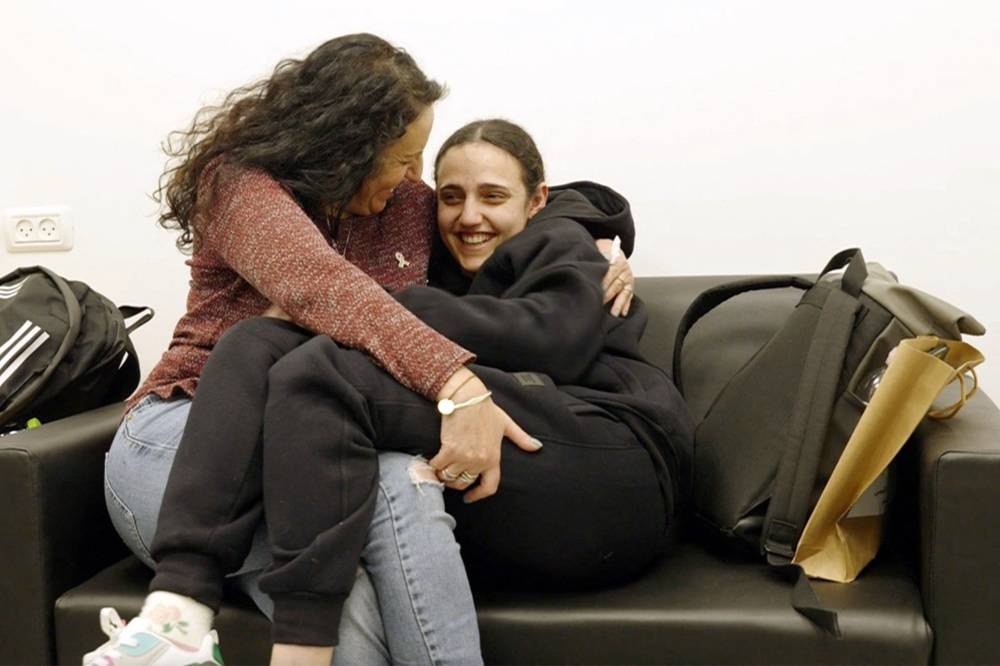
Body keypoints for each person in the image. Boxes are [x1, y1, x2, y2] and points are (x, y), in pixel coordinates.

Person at [88, 33, 636, 665]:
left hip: (316, 435)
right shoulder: (239, 185)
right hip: (189, 434)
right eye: (403, 158)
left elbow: (498, 203)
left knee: (403, 481)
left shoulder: (401, 204)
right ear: (345, 148)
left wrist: (587, 235)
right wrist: (457, 385)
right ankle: (174, 626)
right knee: (345, 597)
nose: (414, 176)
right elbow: (322, 287)